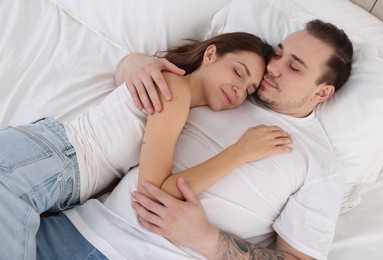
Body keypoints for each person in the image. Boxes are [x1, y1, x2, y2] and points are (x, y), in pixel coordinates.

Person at [34, 19, 353, 260]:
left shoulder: (320, 164)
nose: (273, 67)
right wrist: (134, 64)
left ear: (322, 92)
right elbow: (146, 89)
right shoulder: (230, 88)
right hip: (72, 228)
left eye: (294, 67)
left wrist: (210, 241)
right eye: (279, 54)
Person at [0, 32, 293, 260]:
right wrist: (239, 152)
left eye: (250, 89)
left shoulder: (182, 105)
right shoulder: (174, 89)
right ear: (211, 55)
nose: (239, 90)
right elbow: (153, 193)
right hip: (54, 159)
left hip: (56, 170)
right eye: (238, 73)